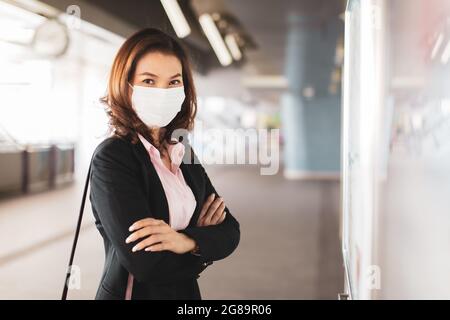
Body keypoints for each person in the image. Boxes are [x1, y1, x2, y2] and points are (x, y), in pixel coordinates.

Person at [89, 28, 240, 300]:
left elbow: (230, 230)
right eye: (149, 81)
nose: (162, 91)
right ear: (126, 86)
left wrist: (184, 241)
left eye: (173, 82)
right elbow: (147, 265)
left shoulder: (182, 150)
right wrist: (202, 246)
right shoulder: (113, 158)